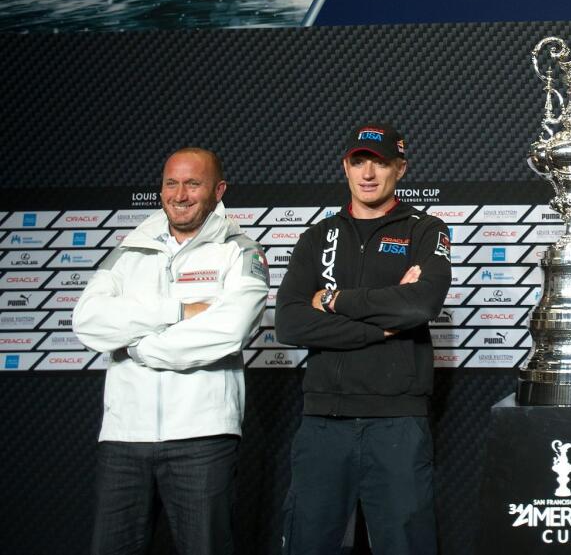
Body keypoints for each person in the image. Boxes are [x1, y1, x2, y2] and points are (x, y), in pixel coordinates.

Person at [74, 148, 268, 555]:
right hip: (124, 437)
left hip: (202, 436)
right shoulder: (129, 251)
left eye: (193, 184)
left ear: (218, 190)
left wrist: (138, 348)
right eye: (171, 183)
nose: (179, 195)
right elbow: (88, 320)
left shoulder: (241, 250)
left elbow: (228, 332)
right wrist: (176, 310)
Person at [275, 123, 451, 555]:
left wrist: (332, 300)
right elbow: (290, 323)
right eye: (359, 161)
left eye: (381, 162)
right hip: (322, 423)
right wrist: (382, 325)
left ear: (401, 168)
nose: (368, 173)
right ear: (346, 167)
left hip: (397, 424)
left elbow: (421, 304)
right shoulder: (317, 237)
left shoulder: (424, 229)